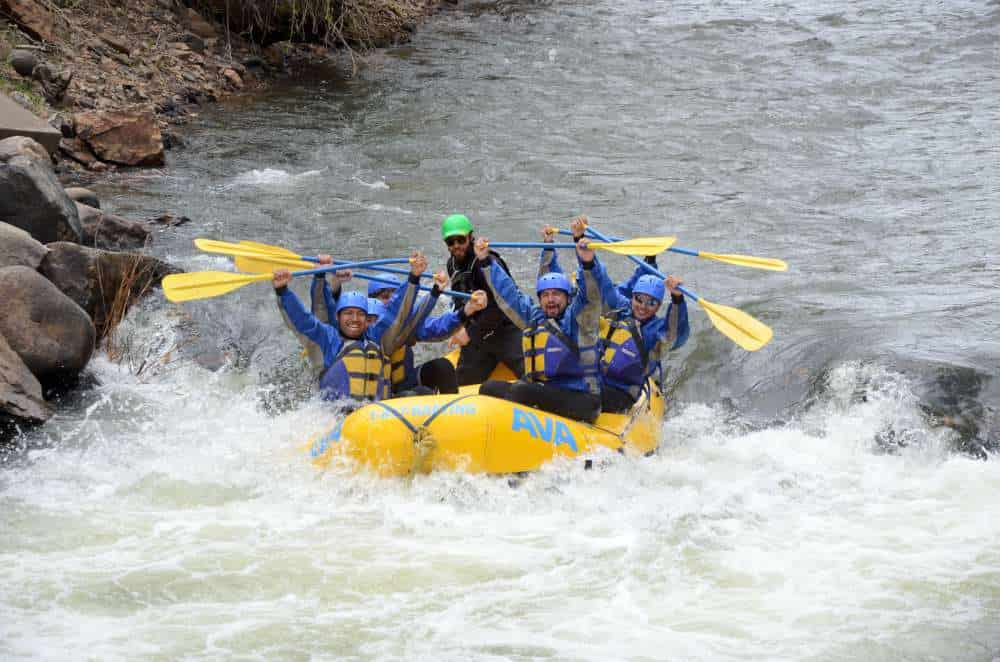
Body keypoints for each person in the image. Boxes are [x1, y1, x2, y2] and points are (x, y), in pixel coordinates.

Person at [474, 235, 605, 423]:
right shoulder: (535, 318)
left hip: (582, 399)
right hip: (544, 392)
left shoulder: (578, 321)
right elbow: (509, 295)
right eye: (545, 295)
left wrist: (588, 264)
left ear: (568, 299)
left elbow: (591, 296)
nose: (550, 300)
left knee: (523, 390)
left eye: (556, 294)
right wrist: (486, 261)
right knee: (488, 388)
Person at [272, 252, 428, 403]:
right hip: (339, 414)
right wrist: (283, 291)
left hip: (374, 412)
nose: (354, 319)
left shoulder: (373, 335)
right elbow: (304, 319)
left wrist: (414, 276)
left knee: (424, 393)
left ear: (367, 320)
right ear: (338, 317)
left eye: (360, 314)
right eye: (348, 313)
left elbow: (395, 310)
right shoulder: (329, 338)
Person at [440, 213, 525, 385]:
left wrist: (469, 333)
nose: (456, 246)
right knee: (461, 384)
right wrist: (461, 326)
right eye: (451, 242)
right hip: (480, 335)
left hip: (506, 329)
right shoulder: (452, 265)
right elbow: (460, 301)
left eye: (460, 240)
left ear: (470, 237)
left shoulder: (487, 262)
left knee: (535, 375)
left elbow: (501, 307)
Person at [376, 270, 489, 395]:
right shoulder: (367, 325)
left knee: (442, 367)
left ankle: (452, 410)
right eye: (385, 298)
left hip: (405, 383)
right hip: (381, 393)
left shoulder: (408, 324)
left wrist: (467, 310)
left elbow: (437, 327)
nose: (394, 304)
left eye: (396, 298)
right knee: (422, 392)